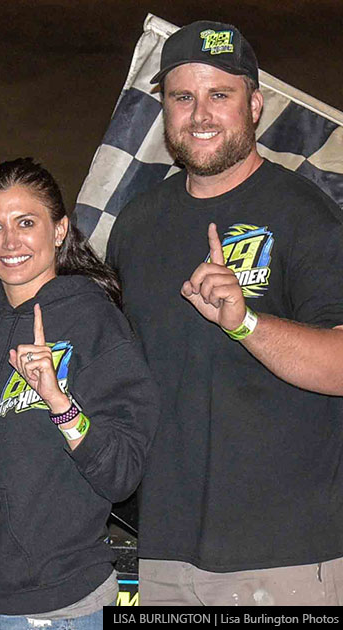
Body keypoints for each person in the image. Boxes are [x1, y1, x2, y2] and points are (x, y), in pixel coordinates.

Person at [106, 20, 343, 605]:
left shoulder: (304, 212)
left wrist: (246, 322)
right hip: (162, 551)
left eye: (220, 95)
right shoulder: (136, 225)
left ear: (255, 105)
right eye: (182, 98)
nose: (200, 114)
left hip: (286, 556)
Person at [0, 158, 156, 627]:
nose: (9, 242)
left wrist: (61, 404)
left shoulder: (95, 322)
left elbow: (123, 473)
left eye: (26, 222)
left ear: (60, 229)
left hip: (62, 603)